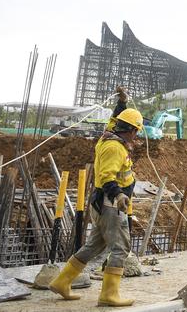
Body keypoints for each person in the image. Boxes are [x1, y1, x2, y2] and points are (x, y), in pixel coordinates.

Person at [49, 87, 141, 307]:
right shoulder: (115, 148)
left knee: (93, 246)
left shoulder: (108, 136)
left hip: (101, 203)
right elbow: (106, 176)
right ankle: (109, 294)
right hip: (111, 205)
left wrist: (122, 102)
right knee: (120, 248)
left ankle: (62, 282)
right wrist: (118, 195)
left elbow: (113, 120)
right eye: (137, 131)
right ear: (132, 131)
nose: (137, 136)